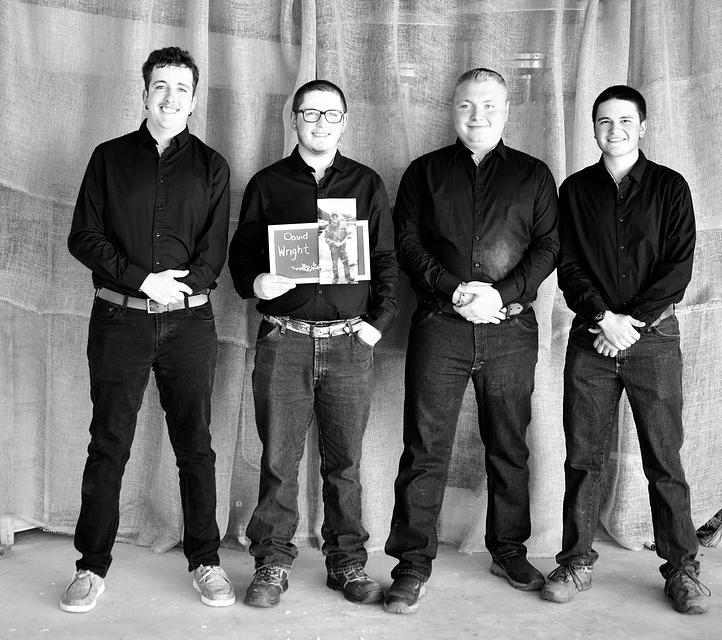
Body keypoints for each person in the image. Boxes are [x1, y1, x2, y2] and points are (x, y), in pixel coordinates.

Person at [63, 47, 233, 612]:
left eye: (181, 88)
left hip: (189, 325)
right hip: (119, 321)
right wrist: (143, 281)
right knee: (108, 444)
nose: (170, 97)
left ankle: (206, 560)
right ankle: (90, 567)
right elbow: (84, 237)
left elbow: (213, 254)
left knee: (195, 446)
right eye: (160, 86)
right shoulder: (108, 158)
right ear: (143, 94)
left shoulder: (212, 167)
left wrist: (176, 290)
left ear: (194, 99)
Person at [384, 68, 559, 614]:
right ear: (452, 109)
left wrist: (499, 295)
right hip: (441, 324)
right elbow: (407, 243)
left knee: (509, 444)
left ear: (506, 110)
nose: (476, 115)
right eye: (466, 105)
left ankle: (508, 550)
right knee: (424, 446)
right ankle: (412, 563)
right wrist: (456, 290)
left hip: (511, 327)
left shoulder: (534, 175)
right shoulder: (424, 172)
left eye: (488, 105)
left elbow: (549, 247)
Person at [228, 79, 399, 608]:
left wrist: (378, 323)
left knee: (345, 464)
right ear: (294, 119)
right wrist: (257, 282)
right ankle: (272, 563)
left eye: (331, 114)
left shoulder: (366, 183)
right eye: (310, 113)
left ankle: (346, 563)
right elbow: (241, 256)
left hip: (350, 343)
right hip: (285, 340)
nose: (320, 123)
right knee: (279, 461)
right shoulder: (268, 184)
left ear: (344, 121)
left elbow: (386, 260)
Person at [542, 85, 709, 614]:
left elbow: (678, 267)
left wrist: (629, 325)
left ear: (643, 127)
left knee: (664, 458)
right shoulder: (574, 191)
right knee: (583, 457)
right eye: (604, 122)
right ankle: (575, 562)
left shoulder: (670, 187)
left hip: (653, 340)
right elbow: (568, 265)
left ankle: (682, 570)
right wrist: (603, 319)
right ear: (593, 128)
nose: (614, 130)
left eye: (624, 121)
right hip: (592, 338)